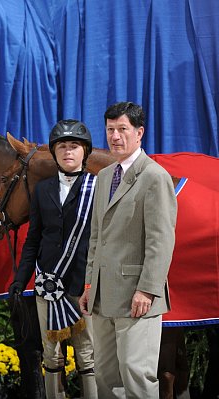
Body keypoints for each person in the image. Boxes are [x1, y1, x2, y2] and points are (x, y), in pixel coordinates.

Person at [78, 101, 177, 398]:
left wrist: (147, 289)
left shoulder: (155, 177)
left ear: (139, 133)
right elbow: (96, 238)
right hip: (102, 295)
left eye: (122, 129)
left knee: (136, 375)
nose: (115, 136)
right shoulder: (104, 176)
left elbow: (161, 241)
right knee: (107, 375)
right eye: (110, 130)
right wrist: (89, 285)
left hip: (137, 295)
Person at [9, 119, 98, 398]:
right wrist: (20, 278)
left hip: (84, 285)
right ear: (54, 152)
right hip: (48, 284)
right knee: (51, 354)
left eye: (74, 146)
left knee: (87, 353)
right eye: (62, 147)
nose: (68, 152)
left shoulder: (97, 188)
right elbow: (34, 238)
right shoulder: (42, 190)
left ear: (85, 152)